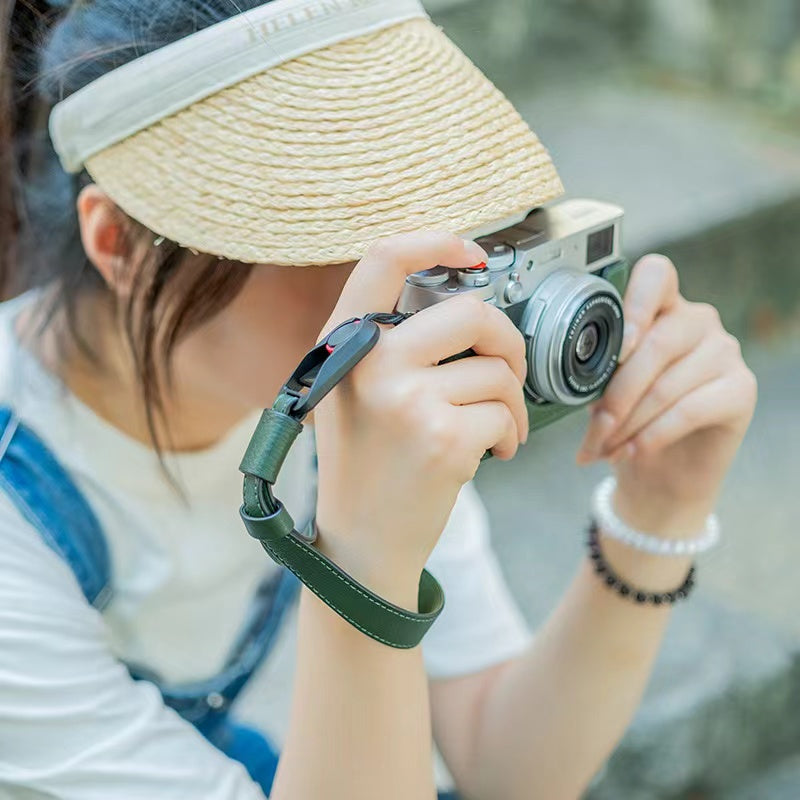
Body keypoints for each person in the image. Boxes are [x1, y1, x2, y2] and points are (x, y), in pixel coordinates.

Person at [0, 1, 757, 798]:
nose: (401, 281)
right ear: (120, 242)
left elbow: (506, 768)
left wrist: (659, 509)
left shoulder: (343, 383)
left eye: (411, 205)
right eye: (321, 230)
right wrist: (363, 561)